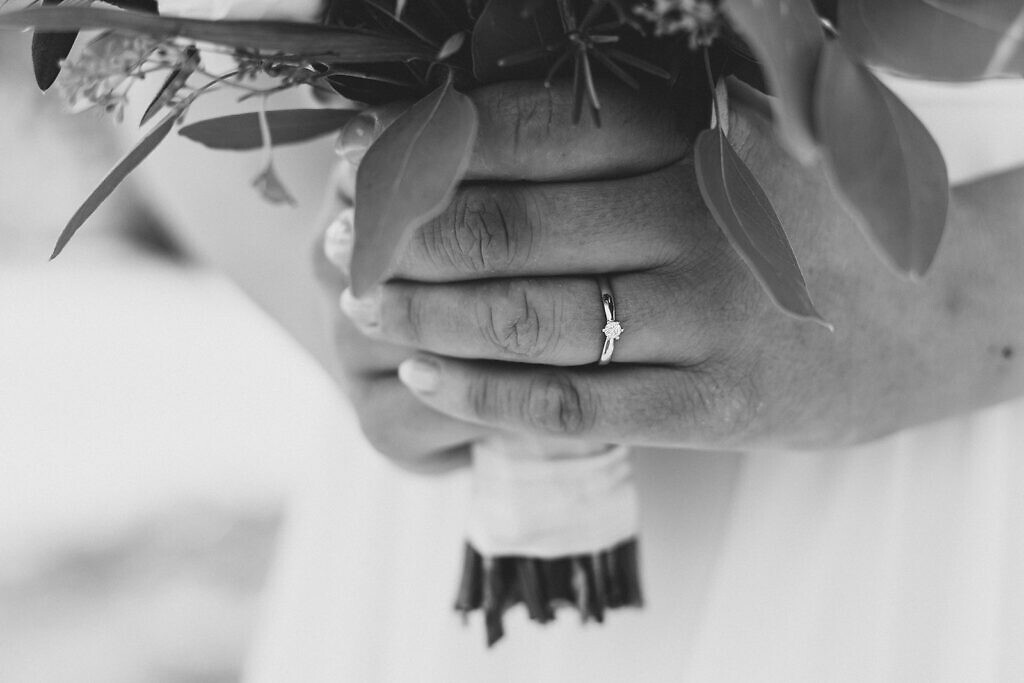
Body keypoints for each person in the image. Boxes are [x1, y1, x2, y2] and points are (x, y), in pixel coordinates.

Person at [126, 71, 1024, 680]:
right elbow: (144, 42)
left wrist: (961, 295)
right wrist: (397, 310)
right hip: (463, 479)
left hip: (967, 429)